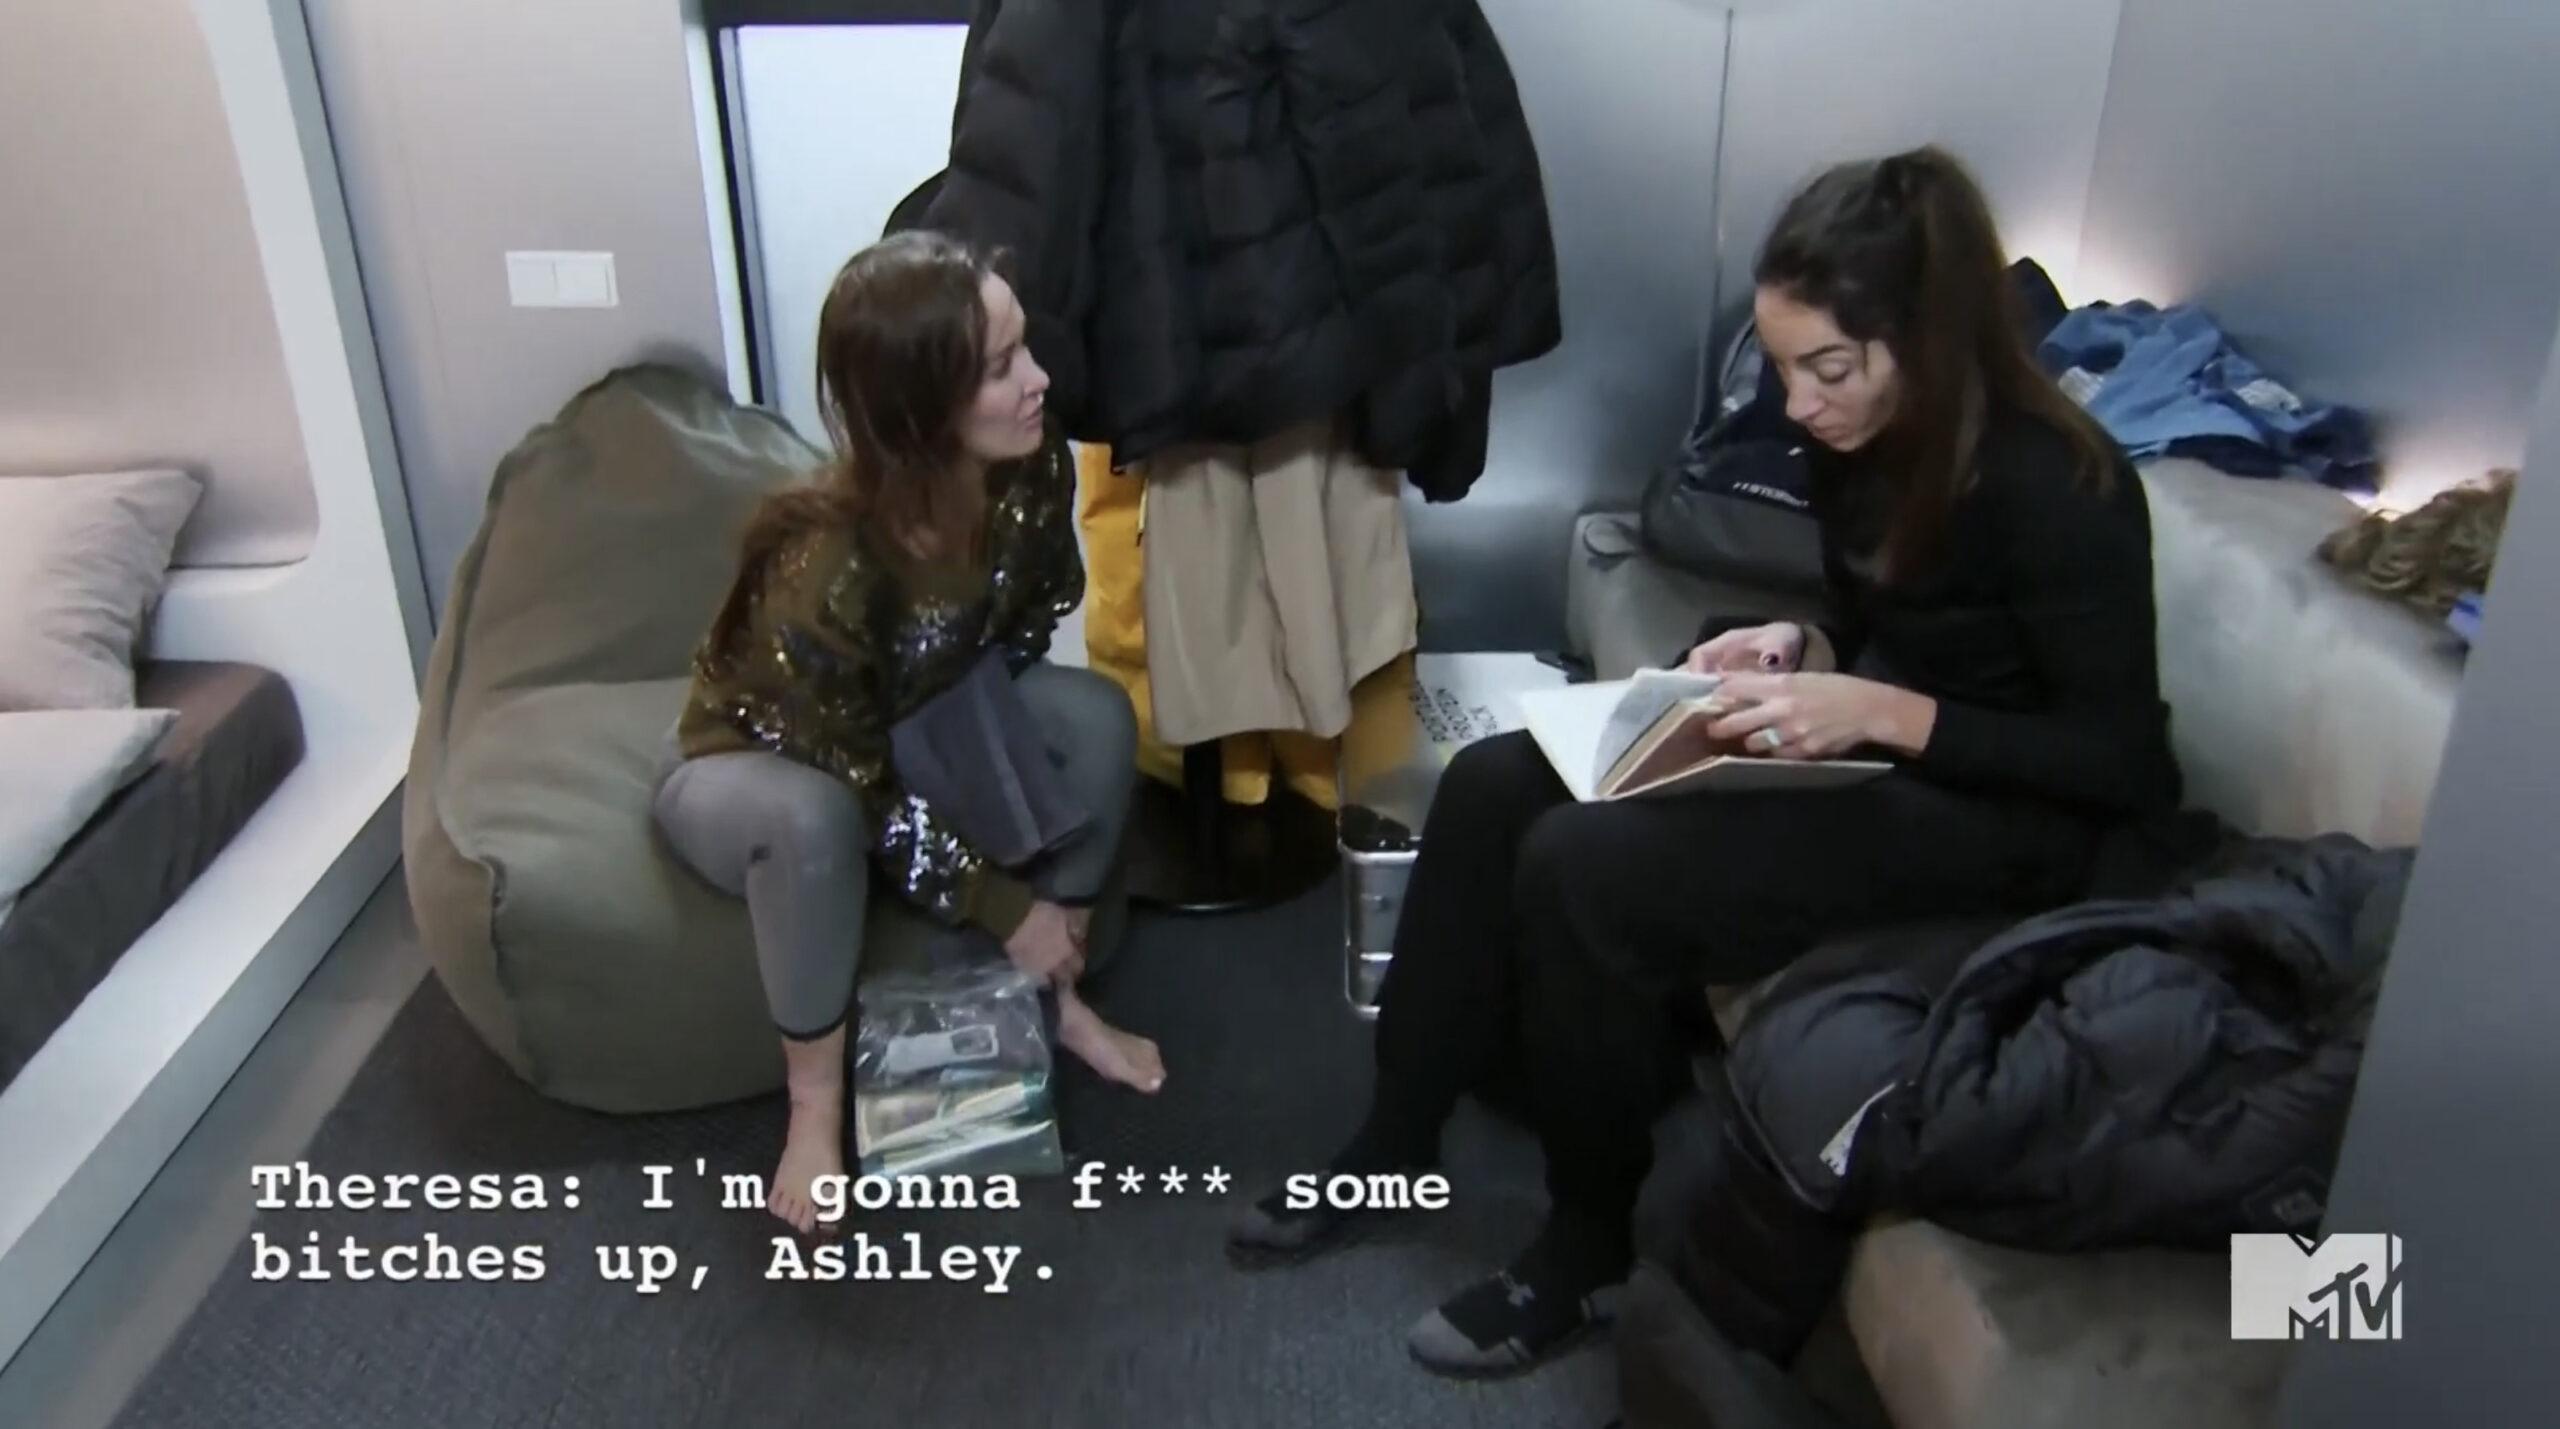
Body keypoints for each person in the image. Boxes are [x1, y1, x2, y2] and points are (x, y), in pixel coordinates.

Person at [1228, 145, 2180, 1376]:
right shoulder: (1864, 444)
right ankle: (1393, 1141)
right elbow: (1903, 632)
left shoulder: (2065, 487)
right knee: (1494, 781)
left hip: (2014, 830)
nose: (1797, 404)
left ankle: (1588, 1246)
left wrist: (1883, 713)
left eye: (1826, 369)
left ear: (1926, 343)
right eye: (1783, 368)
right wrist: (1797, 646)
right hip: (1892, 758)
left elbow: (2117, 764)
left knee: (1586, 865)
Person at [656, 231, 1166, 1236]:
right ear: (919, 410)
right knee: (813, 821)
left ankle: (1058, 997)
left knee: (1097, 720)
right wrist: (998, 900)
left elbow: (1016, 638)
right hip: (762, 754)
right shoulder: (825, 565)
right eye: (1002, 367)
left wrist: (988, 792)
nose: (1040, 380)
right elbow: (856, 780)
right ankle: (813, 1110)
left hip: (908, 711)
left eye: (1025, 348)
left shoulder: (1029, 467)